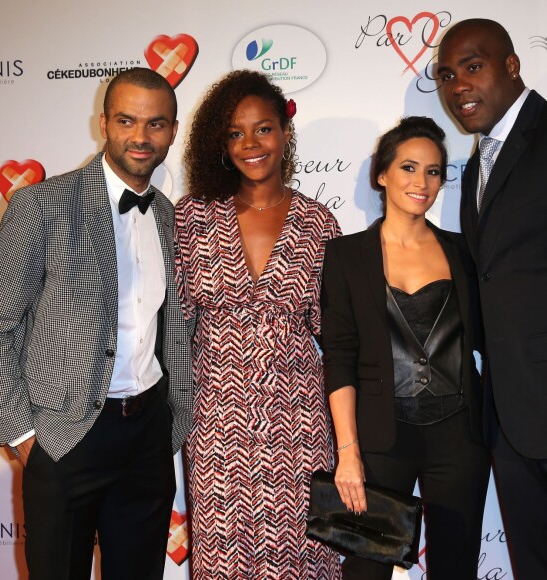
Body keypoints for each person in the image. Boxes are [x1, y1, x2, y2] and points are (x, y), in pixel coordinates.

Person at [0, 67, 193, 580]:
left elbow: (173, 329)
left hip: (148, 437)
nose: (141, 137)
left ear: (173, 131)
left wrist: (173, 423)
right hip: (65, 436)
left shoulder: (168, 215)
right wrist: (25, 435)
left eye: (156, 124)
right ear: (103, 123)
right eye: (127, 121)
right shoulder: (41, 205)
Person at [174, 70, 341, 579]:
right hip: (215, 423)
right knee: (224, 560)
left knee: (307, 556)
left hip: (300, 423)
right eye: (235, 133)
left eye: (263, 128)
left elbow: (338, 339)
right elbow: (173, 335)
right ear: (220, 145)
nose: (250, 143)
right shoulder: (191, 218)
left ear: (285, 132)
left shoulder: (319, 223)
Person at [321, 117, 490, 579]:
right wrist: (348, 451)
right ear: (382, 174)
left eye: (434, 171)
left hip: (459, 437)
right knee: (366, 569)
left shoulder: (463, 252)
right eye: (409, 168)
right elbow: (338, 355)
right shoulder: (345, 255)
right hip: (379, 439)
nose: (422, 183)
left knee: (455, 567)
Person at [437, 18, 547, 578]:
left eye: (472, 67)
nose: (458, 87)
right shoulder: (480, 160)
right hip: (509, 413)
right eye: (447, 76)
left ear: (512, 66)